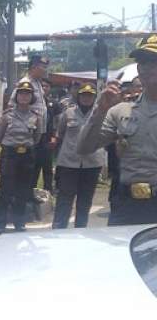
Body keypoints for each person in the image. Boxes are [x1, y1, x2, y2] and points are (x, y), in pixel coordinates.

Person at [77, 35, 157, 225]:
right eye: (143, 62)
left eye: (154, 61)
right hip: (127, 204)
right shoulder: (121, 111)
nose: (148, 68)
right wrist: (100, 109)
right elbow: (84, 147)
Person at [52, 84, 104, 229]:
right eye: (83, 95)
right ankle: (58, 229)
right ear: (78, 96)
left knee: (85, 200)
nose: (86, 98)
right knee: (64, 198)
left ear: (94, 97)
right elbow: (60, 133)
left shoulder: (100, 114)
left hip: (91, 163)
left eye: (90, 96)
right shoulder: (68, 113)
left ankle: (81, 229)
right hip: (69, 162)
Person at [0, 81, 40, 233]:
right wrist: (10, 145)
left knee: (23, 189)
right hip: (10, 154)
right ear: (17, 96)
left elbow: (37, 137)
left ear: (32, 97)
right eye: (21, 93)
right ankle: (0, 223)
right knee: (5, 188)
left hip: (27, 154)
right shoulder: (7, 116)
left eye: (27, 94)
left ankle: (19, 222)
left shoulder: (35, 116)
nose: (24, 96)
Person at [31, 77, 57, 193]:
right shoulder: (33, 102)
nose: (44, 88)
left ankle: (48, 193)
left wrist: (54, 136)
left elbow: (57, 121)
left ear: (50, 89)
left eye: (47, 86)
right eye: (42, 86)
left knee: (47, 169)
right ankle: (30, 192)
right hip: (35, 140)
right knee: (34, 168)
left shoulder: (53, 104)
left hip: (48, 140)